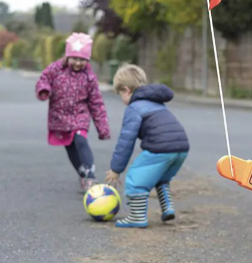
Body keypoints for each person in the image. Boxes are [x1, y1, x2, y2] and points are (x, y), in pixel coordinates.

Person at [105, 64, 189, 228]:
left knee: (135, 178)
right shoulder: (157, 103)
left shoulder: (134, 108)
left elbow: (126, 141)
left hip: (161, 149)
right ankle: (168, 208)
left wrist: (116, 169)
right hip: (182, 147)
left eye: (120, 93)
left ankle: (137, 217)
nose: (121, 98)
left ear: (127, 90)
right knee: (161, 178)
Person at [35, 33, 111, 192]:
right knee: (69, 146)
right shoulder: (56, 69)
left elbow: (96, 103)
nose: (78, 62)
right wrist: (44, 90)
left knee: (80, 140)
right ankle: (82, 173)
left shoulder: (89, 77)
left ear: (88, 60)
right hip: (60, 116)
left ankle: (91, 177)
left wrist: (102, 127)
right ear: (67, 56)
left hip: (80, 115)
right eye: (74, 58)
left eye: (82, 59)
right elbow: (44, 78)